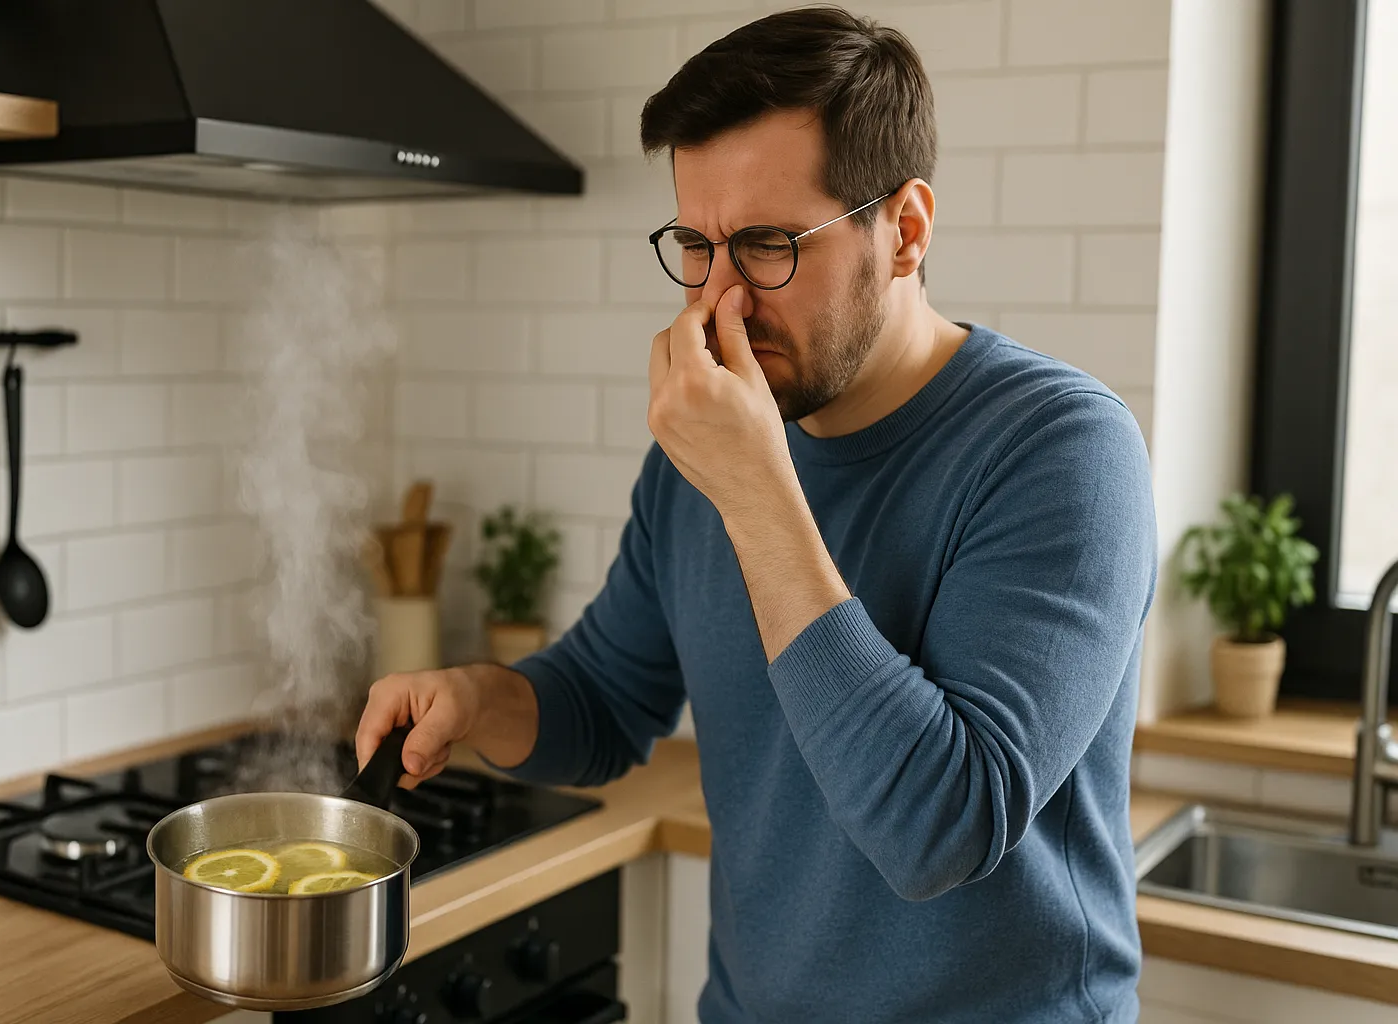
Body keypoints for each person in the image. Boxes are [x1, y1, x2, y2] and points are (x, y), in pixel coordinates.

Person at [358, 8, 1156, 1022]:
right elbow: (605, 700)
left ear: (905, 231)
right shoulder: (710, 449)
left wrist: (753, 487)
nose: (721, 299)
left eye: (769, 245)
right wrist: (475, 699)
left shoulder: (1062, 450)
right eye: (697, 245)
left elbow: (940, 828)